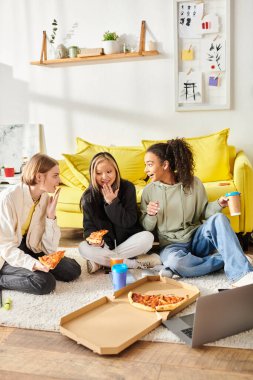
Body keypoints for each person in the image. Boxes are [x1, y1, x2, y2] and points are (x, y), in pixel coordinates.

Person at [140, 138, 253, 287]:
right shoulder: (149, 191)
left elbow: (204, 213)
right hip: (171, 246)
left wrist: (219, 204)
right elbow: (146, 228)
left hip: (197, 239)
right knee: (177, 263)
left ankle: (241, 274)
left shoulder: (193, 183)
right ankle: (232, 258)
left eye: (149, 164)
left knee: (219, 218)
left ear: (165, 165)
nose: (145, 170)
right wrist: (151, 215)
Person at [0, 153, 81, 295]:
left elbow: (49, 248)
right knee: (44, 282)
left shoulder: (43, 197)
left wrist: (50, 216)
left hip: (28, 246)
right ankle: (3, 279)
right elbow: (5, 246)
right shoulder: (9, 198)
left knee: (72, 269)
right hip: (6, 253)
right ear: (39, 177)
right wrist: (33, 264)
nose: (59, 180)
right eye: (55, 175)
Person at [78, 152, 160, 273]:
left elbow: (129, 221)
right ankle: (132, 263)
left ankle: (102, 263)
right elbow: (88, 228)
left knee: (148, 237)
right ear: (92, 174)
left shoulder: (128, 188)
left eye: (109, 172)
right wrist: (95, 241)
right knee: (82, 247)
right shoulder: (88, 197)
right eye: (99, 173)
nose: (104, 177)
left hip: (127, 243)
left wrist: (112, 202)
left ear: (116, 171)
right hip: (105, 246)